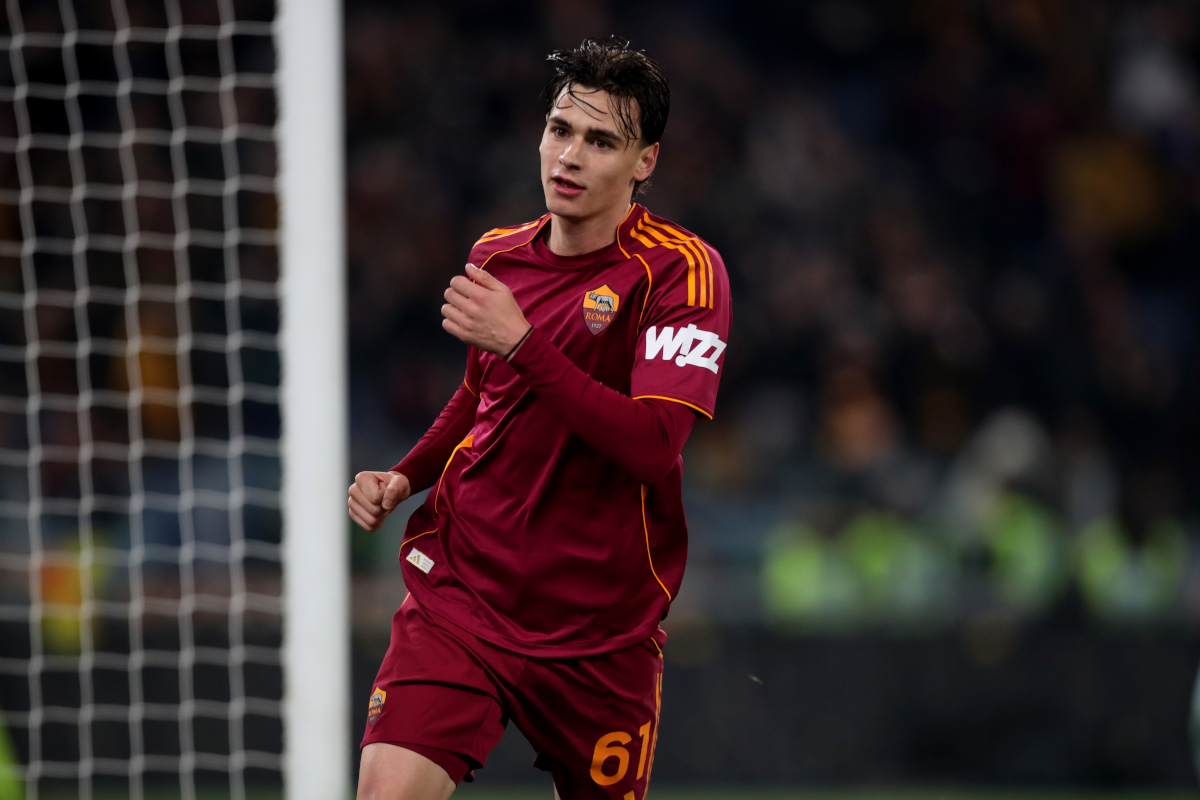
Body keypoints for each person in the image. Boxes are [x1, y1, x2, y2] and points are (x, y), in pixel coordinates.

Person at [348, 37, 731, 800]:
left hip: (600, 630)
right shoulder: (498, 257)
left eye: (601, 140)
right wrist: (407, 474)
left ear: (645, 161)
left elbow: (655, 447)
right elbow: (477, 399)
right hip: (465, 592)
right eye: (561, 130)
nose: (572, 156)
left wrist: (522, 342)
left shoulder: (682, 272)